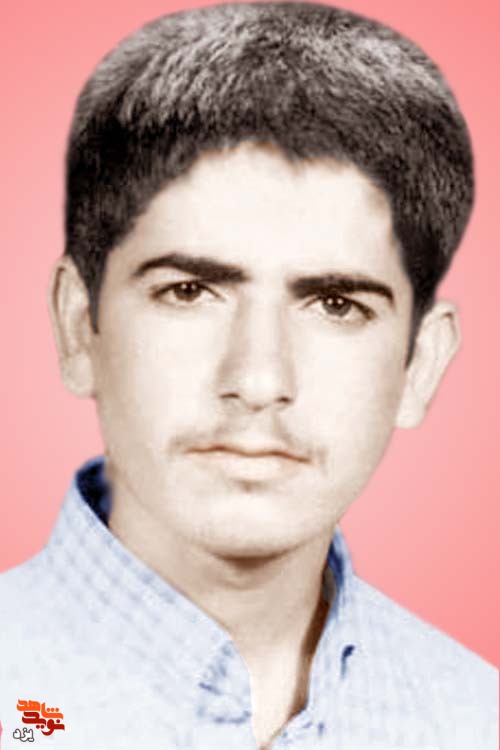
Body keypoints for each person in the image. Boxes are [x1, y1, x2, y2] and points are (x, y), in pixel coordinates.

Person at [0, 2, 497, 748]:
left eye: (336, 305)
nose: (260, 380)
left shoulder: (478, 721)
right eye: (189, 291)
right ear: (78, 325)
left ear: (419, 364)